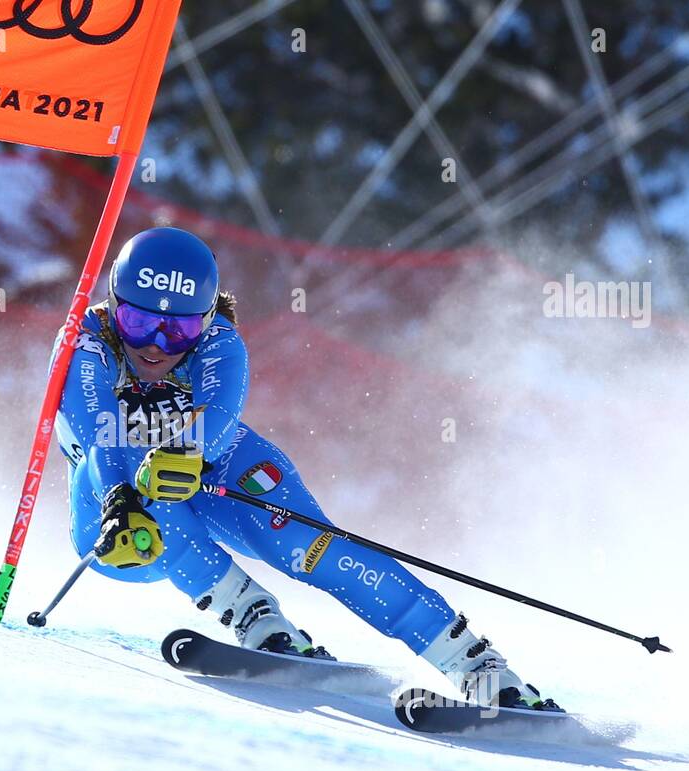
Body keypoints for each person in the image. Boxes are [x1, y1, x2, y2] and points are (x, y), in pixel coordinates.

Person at [56, 226, 559, 710]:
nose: (156, 345)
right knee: (151, 487)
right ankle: (253, 616)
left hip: (205, 465)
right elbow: (99, 430)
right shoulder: (86, 340)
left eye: (179, 329)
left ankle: (479, 669)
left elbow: (221, 417)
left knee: (310, 545)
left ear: (206, 320)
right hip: (112, 505)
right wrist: (119, 499)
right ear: (114, 307)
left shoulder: (220, 343)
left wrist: (190, 452)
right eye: (140, 324)